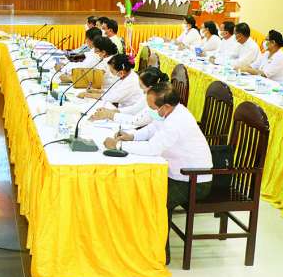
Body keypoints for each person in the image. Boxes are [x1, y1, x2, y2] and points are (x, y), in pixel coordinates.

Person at [104, 82, 213, 213]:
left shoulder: (177, 121)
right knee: (138, 189)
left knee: (151, 203)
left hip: (193, 181)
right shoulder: (171, 111)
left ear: (166, 106)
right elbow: (152, 128)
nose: (150, 111)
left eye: (152, 107)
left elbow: (152, 148)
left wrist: (118, 145)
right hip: (177, 173)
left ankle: (158, 226)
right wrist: (132, 136)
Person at [90, 66, 170, 126]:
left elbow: (137, 120)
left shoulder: (158, 102)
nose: (142, 91)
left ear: (150, 88)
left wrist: (110, 115)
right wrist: (113, 111)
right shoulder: (151, 93)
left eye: (142, 87)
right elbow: (135, 108)